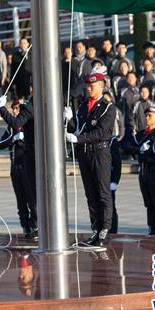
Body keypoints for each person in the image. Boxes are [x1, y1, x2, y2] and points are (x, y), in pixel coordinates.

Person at [64, 71, 118, 248]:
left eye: (92, 85)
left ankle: (105, 229)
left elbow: (101, 132)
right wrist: (70, 120)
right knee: (90, 193)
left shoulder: (108, 108)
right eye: (87, 85)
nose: (88, 88)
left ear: (101, 86)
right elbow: (78, 130)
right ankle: (95, 227)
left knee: (103, 193)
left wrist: (78, 139)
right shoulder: (82, 107)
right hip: (85, 154)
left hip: (99, 153)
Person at [0, 95, 37, 240]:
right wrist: (12, 139)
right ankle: (26, 227)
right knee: (21, 201)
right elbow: (1, 144)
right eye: (14, 109)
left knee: (32, 199)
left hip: (27, 165)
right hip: (16, 167)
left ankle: (35, 226)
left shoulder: (27, 124)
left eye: (18, 109)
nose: (16, 111)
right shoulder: (12, 128)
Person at [134, 104, 155, 235]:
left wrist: (148, 153)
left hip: (154, 171)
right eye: (146, 115)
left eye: (150, 116)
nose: (147, 118)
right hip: (143, 171)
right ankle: (151, 227)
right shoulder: (141, 134)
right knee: (148, 201)